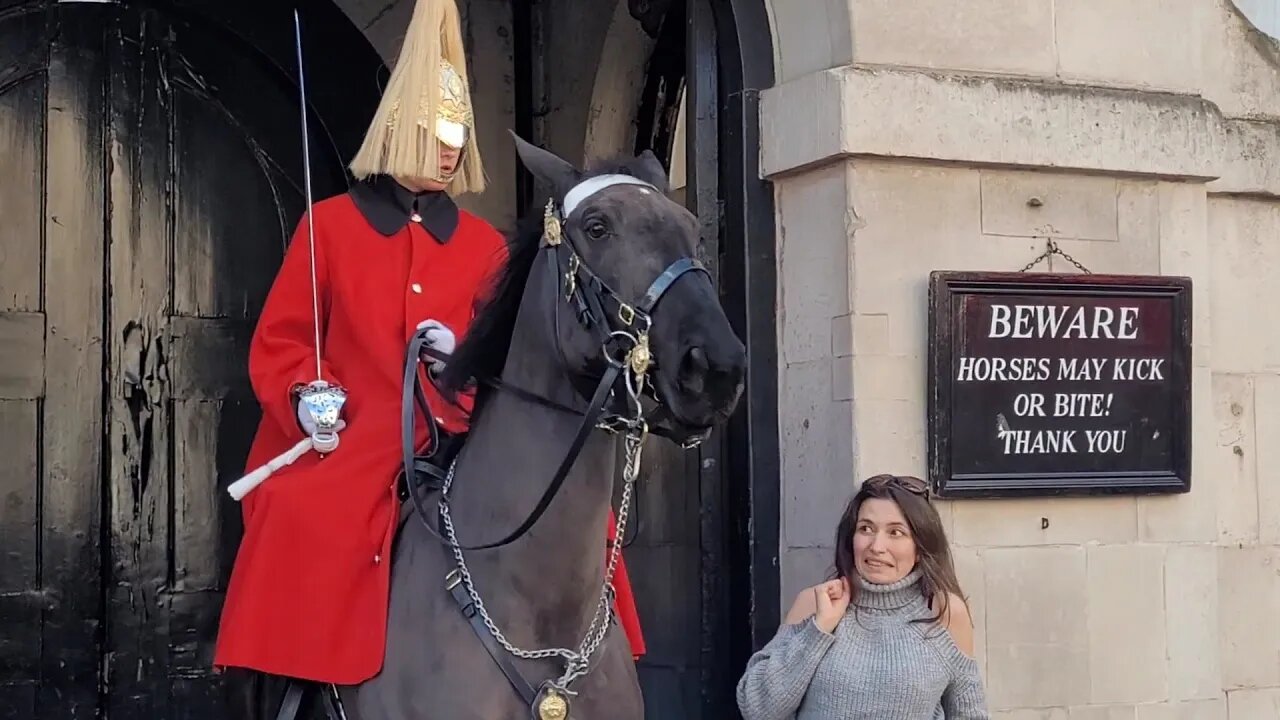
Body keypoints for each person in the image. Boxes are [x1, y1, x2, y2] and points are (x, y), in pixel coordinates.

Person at [213, 1, 645, 715]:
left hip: (469, 432)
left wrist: (465, 362)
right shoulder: (331, 228)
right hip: (361, 433)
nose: (448, 150)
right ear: (399, 132)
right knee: (299, 514)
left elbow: (516, 354)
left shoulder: (483, 245)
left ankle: (595, 667)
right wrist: (306, 395)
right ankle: (290, 691)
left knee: (580, 526)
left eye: (457, 135)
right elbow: (286, 340)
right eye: (435, 134)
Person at [736, 474, 989, 720]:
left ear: (920, 548)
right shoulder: (815, 603)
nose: (876, 547)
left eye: (896, 532)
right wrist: (818, 629)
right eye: (866, 529)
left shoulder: (943, 611)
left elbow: (969, 714)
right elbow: (758, 709)